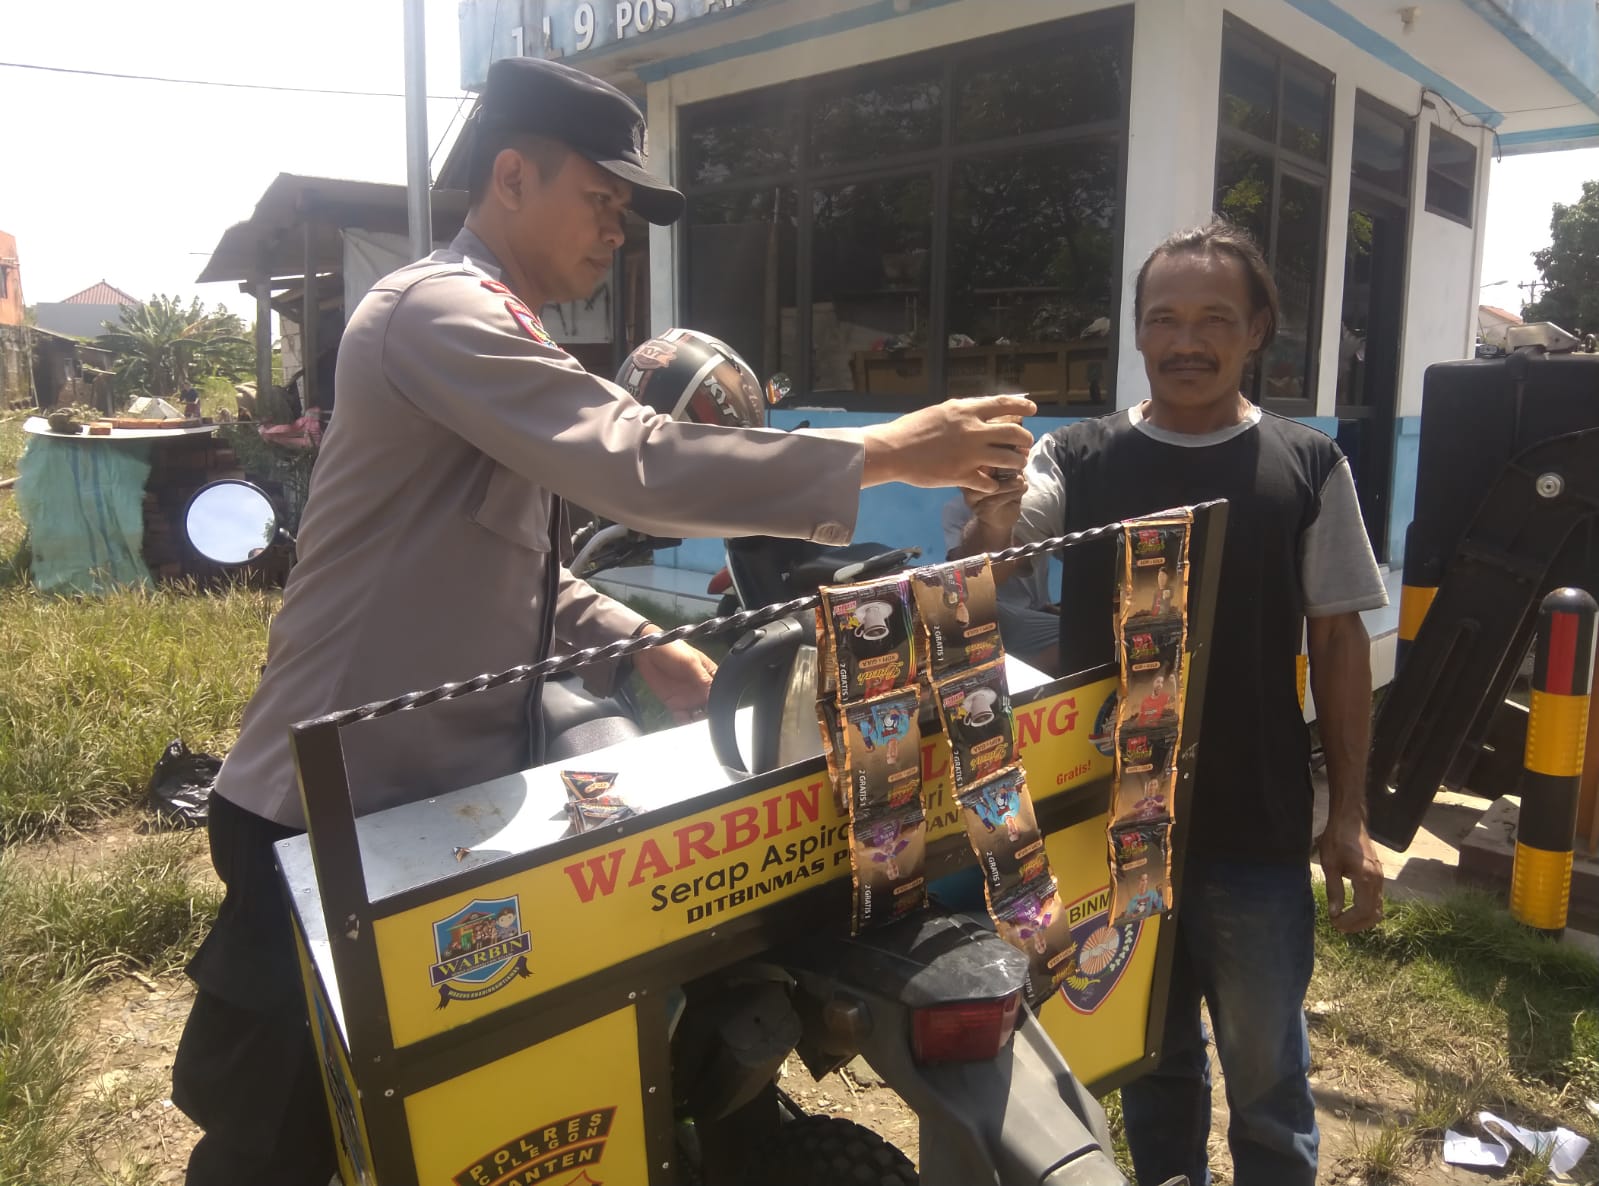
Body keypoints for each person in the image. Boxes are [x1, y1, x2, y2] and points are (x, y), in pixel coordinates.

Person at [172, 56, 1034, 1186]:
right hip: (321, 812)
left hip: (436, 813)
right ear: (512, 177)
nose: (615, 231)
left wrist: (652, 649)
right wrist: (889, 451)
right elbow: (636, 463)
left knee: (462, 1117)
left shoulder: (503, 331)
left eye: (624, 210)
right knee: (274, 1144)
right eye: (600, 198)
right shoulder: (438, 308)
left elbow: (520, 569)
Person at [962, 220, 1387, 1186]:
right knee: (1150, 1062)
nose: (1185, 341)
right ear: (1137, 332)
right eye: (1163, 319)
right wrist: (988, 513)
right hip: (1113, 825)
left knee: (1268, 1076)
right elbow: (997, 559)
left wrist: (1348, 814)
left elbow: (1337, 641)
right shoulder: (1076, 458)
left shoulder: (1307, 464)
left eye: (1213, 319)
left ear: (1257, 330)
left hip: (1255, 826)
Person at [941, 495, 1059, 671]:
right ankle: (1017, 682)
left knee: (1084, 631)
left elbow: (1026, 565)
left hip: (1038, 610)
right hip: (995, 610)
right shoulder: (956, 509)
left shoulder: (1031, 495)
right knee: (1076, 637)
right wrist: (990, 524)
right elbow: (967, 574)